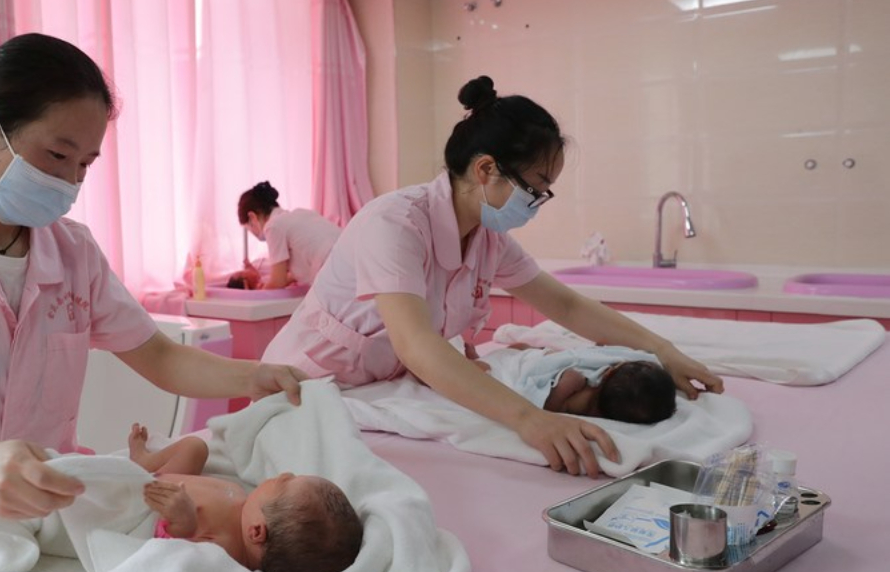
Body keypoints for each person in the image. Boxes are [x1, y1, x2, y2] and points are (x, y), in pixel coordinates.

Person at [0, 34, 306, 531]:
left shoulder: (73, 252)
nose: (70, 182)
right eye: (57, 156)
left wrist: (255, 377)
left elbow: (160, 356)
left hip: (40, 518)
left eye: (84, 165)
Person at [263, 75, 722, 478]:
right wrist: (528, 419)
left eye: (545, 193)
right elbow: (416, 343)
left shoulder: (486, 236)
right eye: (534, 188)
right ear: (486, 169)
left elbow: (565, 306)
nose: (537, 203)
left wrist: (663, 351)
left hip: (375, 393)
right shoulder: (395, 223)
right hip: (301, 389)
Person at [128, 424, 363, 572]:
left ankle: (140, 469)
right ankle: (145, 462)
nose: (285, 473)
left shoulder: (226, 550)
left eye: (283, 483)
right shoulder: (243, 499)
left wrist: (183, 524)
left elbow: (178, 557)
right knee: (195, 447)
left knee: (192, 448)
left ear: (257, 531)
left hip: (148, 504)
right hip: (160, 480)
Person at [482, 344, 677, 424]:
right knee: (524, 349)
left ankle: (481, 362)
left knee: (497, 365)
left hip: (526, 367)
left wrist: (560, 392)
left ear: (609, 373)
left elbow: (543, 406)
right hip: (544, 358)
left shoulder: (574, 387)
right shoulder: (616, 406)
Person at [236, 180, 341, 289]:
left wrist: (257, 293)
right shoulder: (300, 214)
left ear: (252, 218)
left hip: (336, 271)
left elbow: (278, 282)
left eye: (249, 229)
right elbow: (295, 271)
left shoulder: (273, 227)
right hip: (350, 256)